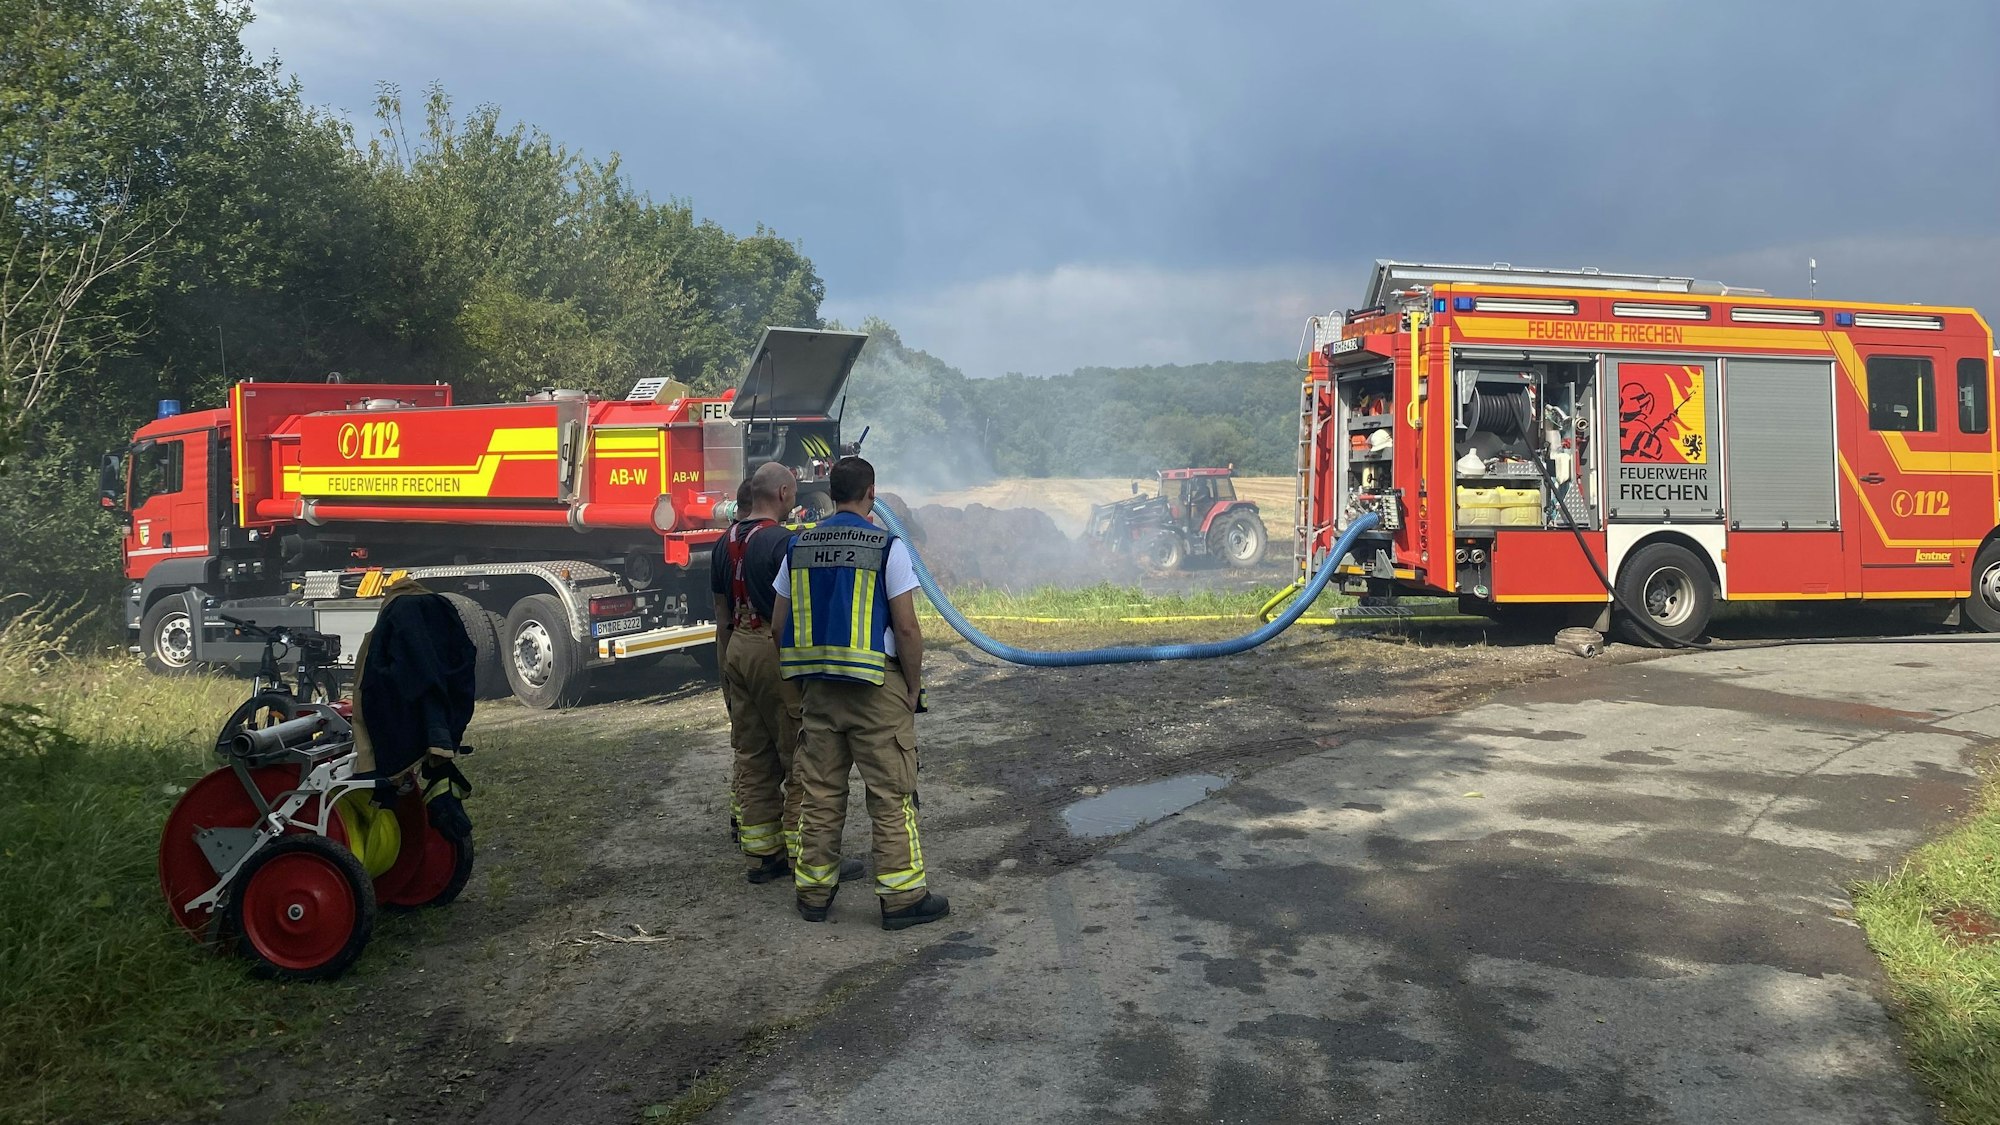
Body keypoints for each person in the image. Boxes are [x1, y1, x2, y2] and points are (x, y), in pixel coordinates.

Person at [772, 456, 949, 930]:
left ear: (831, 493)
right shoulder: (886, 546)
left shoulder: (799, 544)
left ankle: (813, 894)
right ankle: (902, 899)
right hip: (876, 690)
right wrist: (912, 688)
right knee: (891, 794)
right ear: (871, 492)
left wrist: (798, 685)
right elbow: (907, 629)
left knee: (821, 793)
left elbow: (778, 625)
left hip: (819, 692)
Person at [718, 477, 756, 844]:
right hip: (763, 648)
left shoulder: (721, 545)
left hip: (733, 648)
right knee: (783, 750)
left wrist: (724, 674)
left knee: (745, 746)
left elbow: (720, 616)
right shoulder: (771, 541)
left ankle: (740, 820)